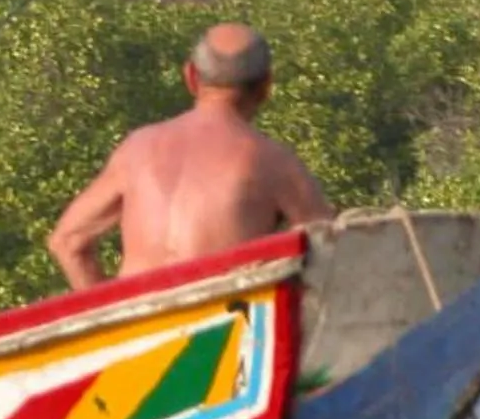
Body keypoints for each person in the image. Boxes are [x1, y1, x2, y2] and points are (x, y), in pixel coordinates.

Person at [46, 23, 335, 291]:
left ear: (191, 76)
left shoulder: (137, 148)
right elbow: (331, 253)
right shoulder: (273, 161)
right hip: (223, 333)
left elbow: (68, 241)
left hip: (138, 325)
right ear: (266, 86)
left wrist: (108, 317)